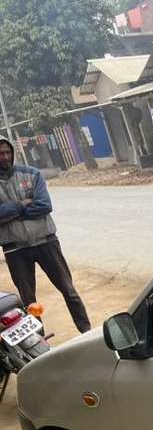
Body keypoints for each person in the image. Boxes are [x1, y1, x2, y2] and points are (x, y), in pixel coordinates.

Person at [0, 138, 90, 333]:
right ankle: (39, 341)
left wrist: (10, 213)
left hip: (46, 241)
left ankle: (86, 331)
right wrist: (21, 204)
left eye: (7, 152)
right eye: (1, 154)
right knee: (29, 301)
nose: (5, 157)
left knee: (69, 291)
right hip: (15, 249)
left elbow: (44, 205)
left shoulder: (31, 174)